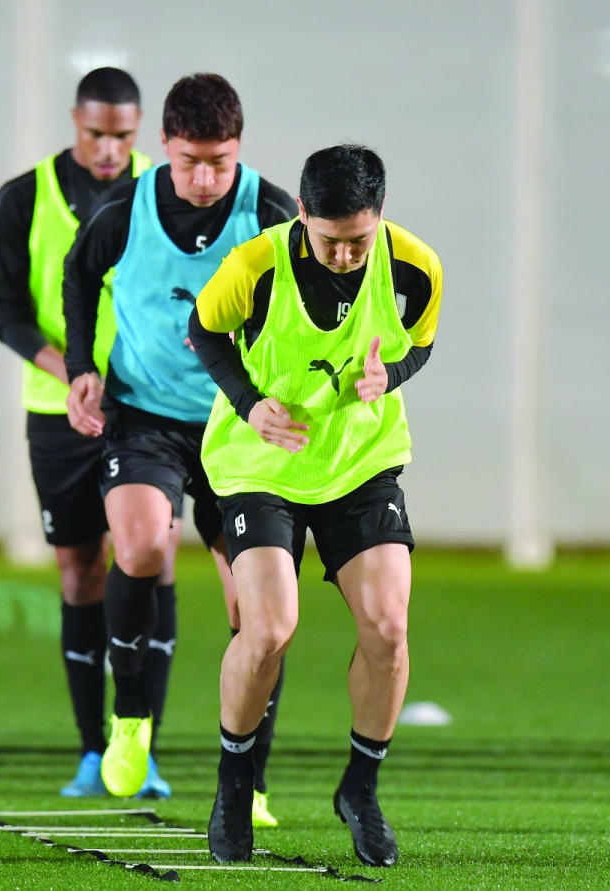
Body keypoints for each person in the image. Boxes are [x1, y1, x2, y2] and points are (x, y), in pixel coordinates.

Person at [188, 144, 442, 865]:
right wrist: (249, 402)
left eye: (358, 240)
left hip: (360, 464)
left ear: (380, 218)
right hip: (260, 463)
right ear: (301, 214)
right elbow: (205, 331)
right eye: (329, 238)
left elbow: (421, 342)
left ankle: (360, 789)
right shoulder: (254, 267)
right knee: (269, 628)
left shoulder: (417, 267)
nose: (343, 254)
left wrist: (388, 375)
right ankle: (235, 782)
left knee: (389, 627)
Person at [62, 74, 295, 817]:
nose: (204, 177)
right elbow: (78, 273)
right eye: (191, 159)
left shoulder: (270, 213)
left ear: (240, 150)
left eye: (220, 161)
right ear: (163, 146)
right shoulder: (123, 210)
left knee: (258, 611)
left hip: (239, 424)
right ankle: (130, 719)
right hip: (146, 417)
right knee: (137, 549)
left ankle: (249, 777)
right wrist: (80, 369)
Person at [0, 66, 173, 796]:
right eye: (95, 132)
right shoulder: (24, 197)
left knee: (149, 559)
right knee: (79, 573)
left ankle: (141, 746)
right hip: (57, 413)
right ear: (74, 121)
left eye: (123, 135)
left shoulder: (166, 189)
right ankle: (93, 749)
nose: (108, 148)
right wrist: (70, 372)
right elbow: (4, 308)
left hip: (147, 410)